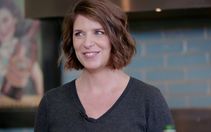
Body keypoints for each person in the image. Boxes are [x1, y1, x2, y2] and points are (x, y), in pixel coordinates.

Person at [35, 0, 174, 131]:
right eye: (79, 34)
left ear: (116, 37)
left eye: (98, 32)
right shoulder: (51, 103)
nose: (87, 43)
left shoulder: (149, 99)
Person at [0, 0, 43, 100]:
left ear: (15, 19)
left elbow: (37, 75)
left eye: (5, 20)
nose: (1, 28)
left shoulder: (22, 47)